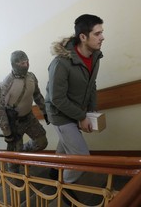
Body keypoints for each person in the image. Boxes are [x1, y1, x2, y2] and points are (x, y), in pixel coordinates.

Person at [45, 14, 104, 183]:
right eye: (97, 33)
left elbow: (91, 84)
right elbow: (57, 98)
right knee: (81, 157)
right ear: (83, 37)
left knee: (66, 145)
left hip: (77, 109)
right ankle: (64, 186)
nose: (102, 37)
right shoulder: (61, 63)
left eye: (102, 32)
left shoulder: (95, 56)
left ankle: (54, 170)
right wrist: (82, 116)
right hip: (59, 113)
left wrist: (91, 110)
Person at [0, 50, 49, 173]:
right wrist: (7, 132)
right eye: (22, 63)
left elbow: (37, 95)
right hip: (14, 123)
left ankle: (23, 153)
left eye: (27, 62)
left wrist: (45, 111)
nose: (26, 65)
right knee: (14, 159)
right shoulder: (6, 83)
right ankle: (15, 181)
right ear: (15, 64)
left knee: (42, 142)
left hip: (29, 118)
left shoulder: (31, 77)